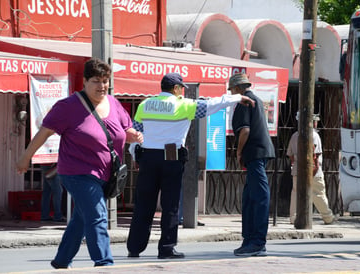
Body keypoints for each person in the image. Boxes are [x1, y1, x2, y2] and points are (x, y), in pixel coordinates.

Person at [16, 58, 143, 269]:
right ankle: (104, 263)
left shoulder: (114, 103)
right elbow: (44, 132)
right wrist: (26, 157)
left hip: (105, 173)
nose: (101, 86)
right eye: (95, 81)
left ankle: (62, 260)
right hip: (77, 172)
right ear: (84, 81)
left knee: (81, 219)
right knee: (97, 215)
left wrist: (134, 136)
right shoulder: (68, 106)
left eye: (105, 81)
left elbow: (122, 132)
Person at [126, 72, 254, 259]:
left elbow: (135, 134)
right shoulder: (183, 105)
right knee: (170, 206)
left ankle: (134, 247)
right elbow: (211, 105)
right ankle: (166, 248)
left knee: (143, 204)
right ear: (176, 89)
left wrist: (136, 156)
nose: (183, 93)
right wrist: (236, 97)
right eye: (181, 89)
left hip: (148, 157)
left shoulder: (145, 104)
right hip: (171, 157)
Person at [229, 73, 275, 257]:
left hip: (254, 153)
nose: (232, 93)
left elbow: (245, 130)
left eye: (232, 90)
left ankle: (257, 242)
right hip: (257, 154)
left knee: (258, 197)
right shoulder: (254, 99)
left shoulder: (245, 102)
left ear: (239, 88)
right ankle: (249, 239)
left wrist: (239, 152)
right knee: (249, 198)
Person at [286, 112, 335, 225]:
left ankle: (293, 218)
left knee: (296, 193)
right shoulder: (314, 135)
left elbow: (291, 155)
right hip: (313, 170)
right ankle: (327, 217)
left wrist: (296, 165)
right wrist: (314, 170)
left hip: (297, 170)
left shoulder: (295, 135)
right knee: (318, 193)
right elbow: (316, 156)